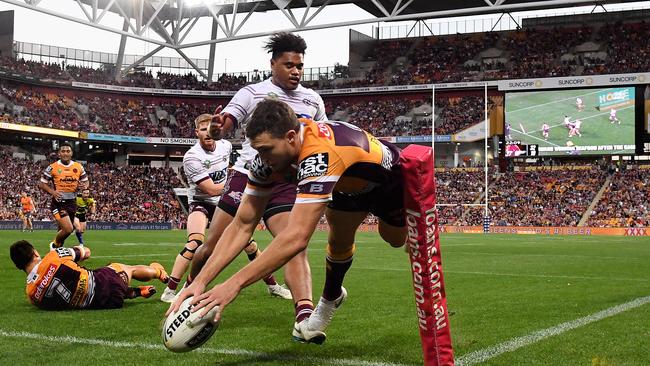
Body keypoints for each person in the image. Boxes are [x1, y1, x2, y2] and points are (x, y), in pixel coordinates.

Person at [169, 99, 406, 345]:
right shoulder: (268, 159)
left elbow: (296, 237)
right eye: (258, 150)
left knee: (394, 239)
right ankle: (330, 299)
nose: (262, 158)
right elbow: (242, 224)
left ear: (291, 137)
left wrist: (233, 285)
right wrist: (201, 281)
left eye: (267, 149)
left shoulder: (320, 155)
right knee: (339, 239)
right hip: (345, 186)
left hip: (388, 184)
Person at [177, 33, 326, 326]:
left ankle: (305, 316)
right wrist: (219, 129)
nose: (296, 71)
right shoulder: (251, 93)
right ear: (273, 64)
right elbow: (226, 124)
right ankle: (189, 290)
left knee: (293, 243)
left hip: (285, 181)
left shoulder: (313, 100)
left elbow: (319, 140)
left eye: (300, 66)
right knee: (213, 244)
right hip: (248, 175)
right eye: (288, 64)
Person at [160, 113, 234, 302]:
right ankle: (170, 290)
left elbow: (227, 168)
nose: (208, 133)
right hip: (201, 202)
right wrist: (236, 184)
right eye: (203, 129)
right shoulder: (192, 157)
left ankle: (273, 285)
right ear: (196, 132)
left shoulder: (226, 146)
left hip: (221, 202)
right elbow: (210, 190)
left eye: (211, 129)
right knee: (195, 242)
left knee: (247, 242)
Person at [9, 240, 169, 310]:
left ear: (18, 266)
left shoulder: (31, 295)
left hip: (102, 304)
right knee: (126, 268)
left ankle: (137, 292)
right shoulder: (53, 256)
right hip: (107, 284)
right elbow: (86, 253)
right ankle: (159, 273)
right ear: (35, 252)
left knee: (95, 280)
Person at [38, 142, 89, 250]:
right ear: (59, 154)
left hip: (72, 203)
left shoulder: (78, 167)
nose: (65, 153)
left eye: (68, 151)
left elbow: (86, 182)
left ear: (71, 153)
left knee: (62, 230)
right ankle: (53, 245)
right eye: (63, 151)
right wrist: (53, 192)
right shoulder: (52, 167)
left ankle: (57, 250)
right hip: (58, 203)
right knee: (68, 229)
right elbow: (42, 184)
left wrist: (84, 187)